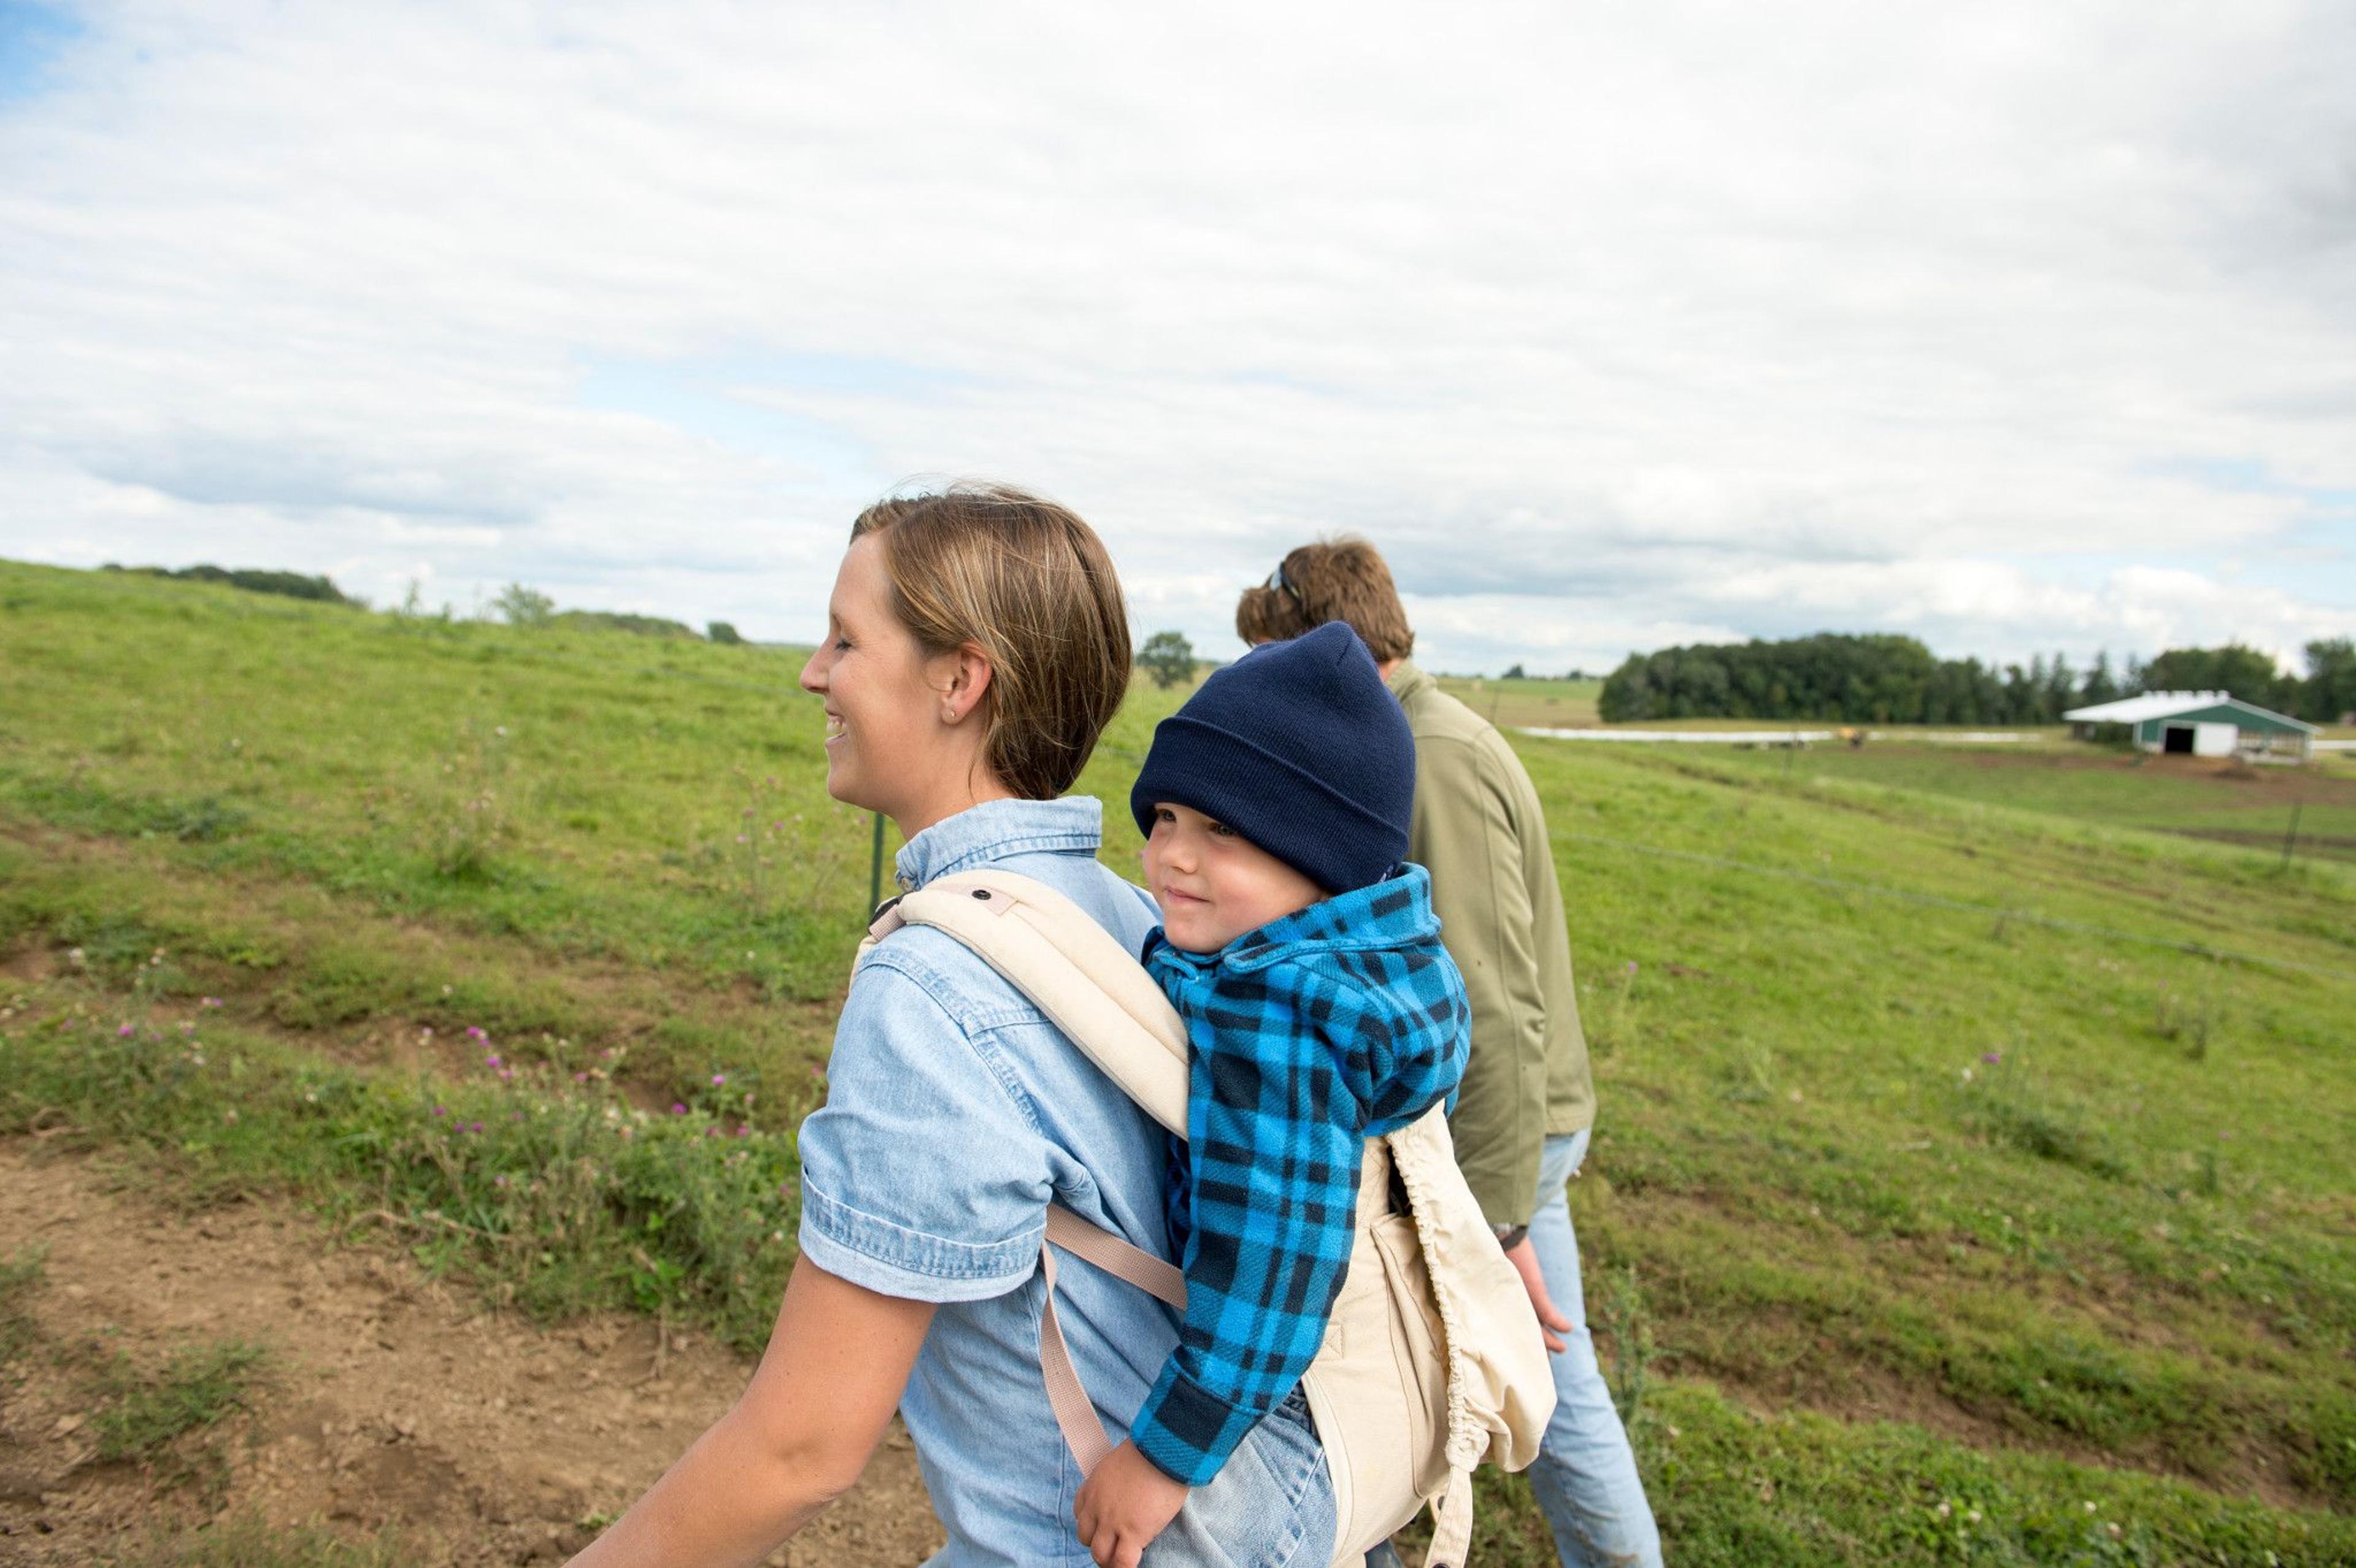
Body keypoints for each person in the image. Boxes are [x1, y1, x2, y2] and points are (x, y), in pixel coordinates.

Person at [568, 486, 1335, 1568]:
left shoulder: (933, 990)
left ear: (960, 681)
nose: (813, 672)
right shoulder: (1126, 916)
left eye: (846, 638)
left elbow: (801, 1449)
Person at [1236, 541, 1663, 1568]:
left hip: (1497, 1135)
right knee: (1426, 1372)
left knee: (1543, 1390)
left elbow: (1496, 1003)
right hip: (1459, 1126)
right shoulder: (1404, 738)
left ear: (1328, 648)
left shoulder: (1437, 756)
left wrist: (1499, 1210)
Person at [1073, 622, 1471, 1566]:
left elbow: (1273, 1270)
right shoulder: (1367, 960)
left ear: (1322, 857)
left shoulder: (1276, 1011)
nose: (1172, 855)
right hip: (1366, 1394)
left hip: (1272, 1387)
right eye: (1166, 817)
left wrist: (1163, 1460)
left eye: (1224, 831)